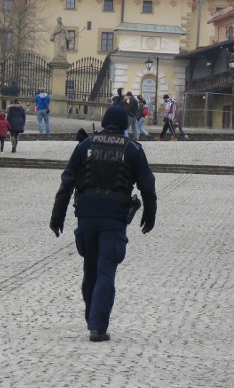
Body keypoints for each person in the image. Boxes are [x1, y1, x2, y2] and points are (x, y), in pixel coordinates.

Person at [49, 105, 157, 343]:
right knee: (106, 270)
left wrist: (57, 216)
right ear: (124, 126)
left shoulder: (85, 146)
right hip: (113, 217)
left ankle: (92, 317)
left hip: (86, 215)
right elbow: (147, 185)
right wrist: (150, 213)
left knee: (90, 268)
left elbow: (67, 182)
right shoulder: (132, 150)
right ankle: (97, 326)